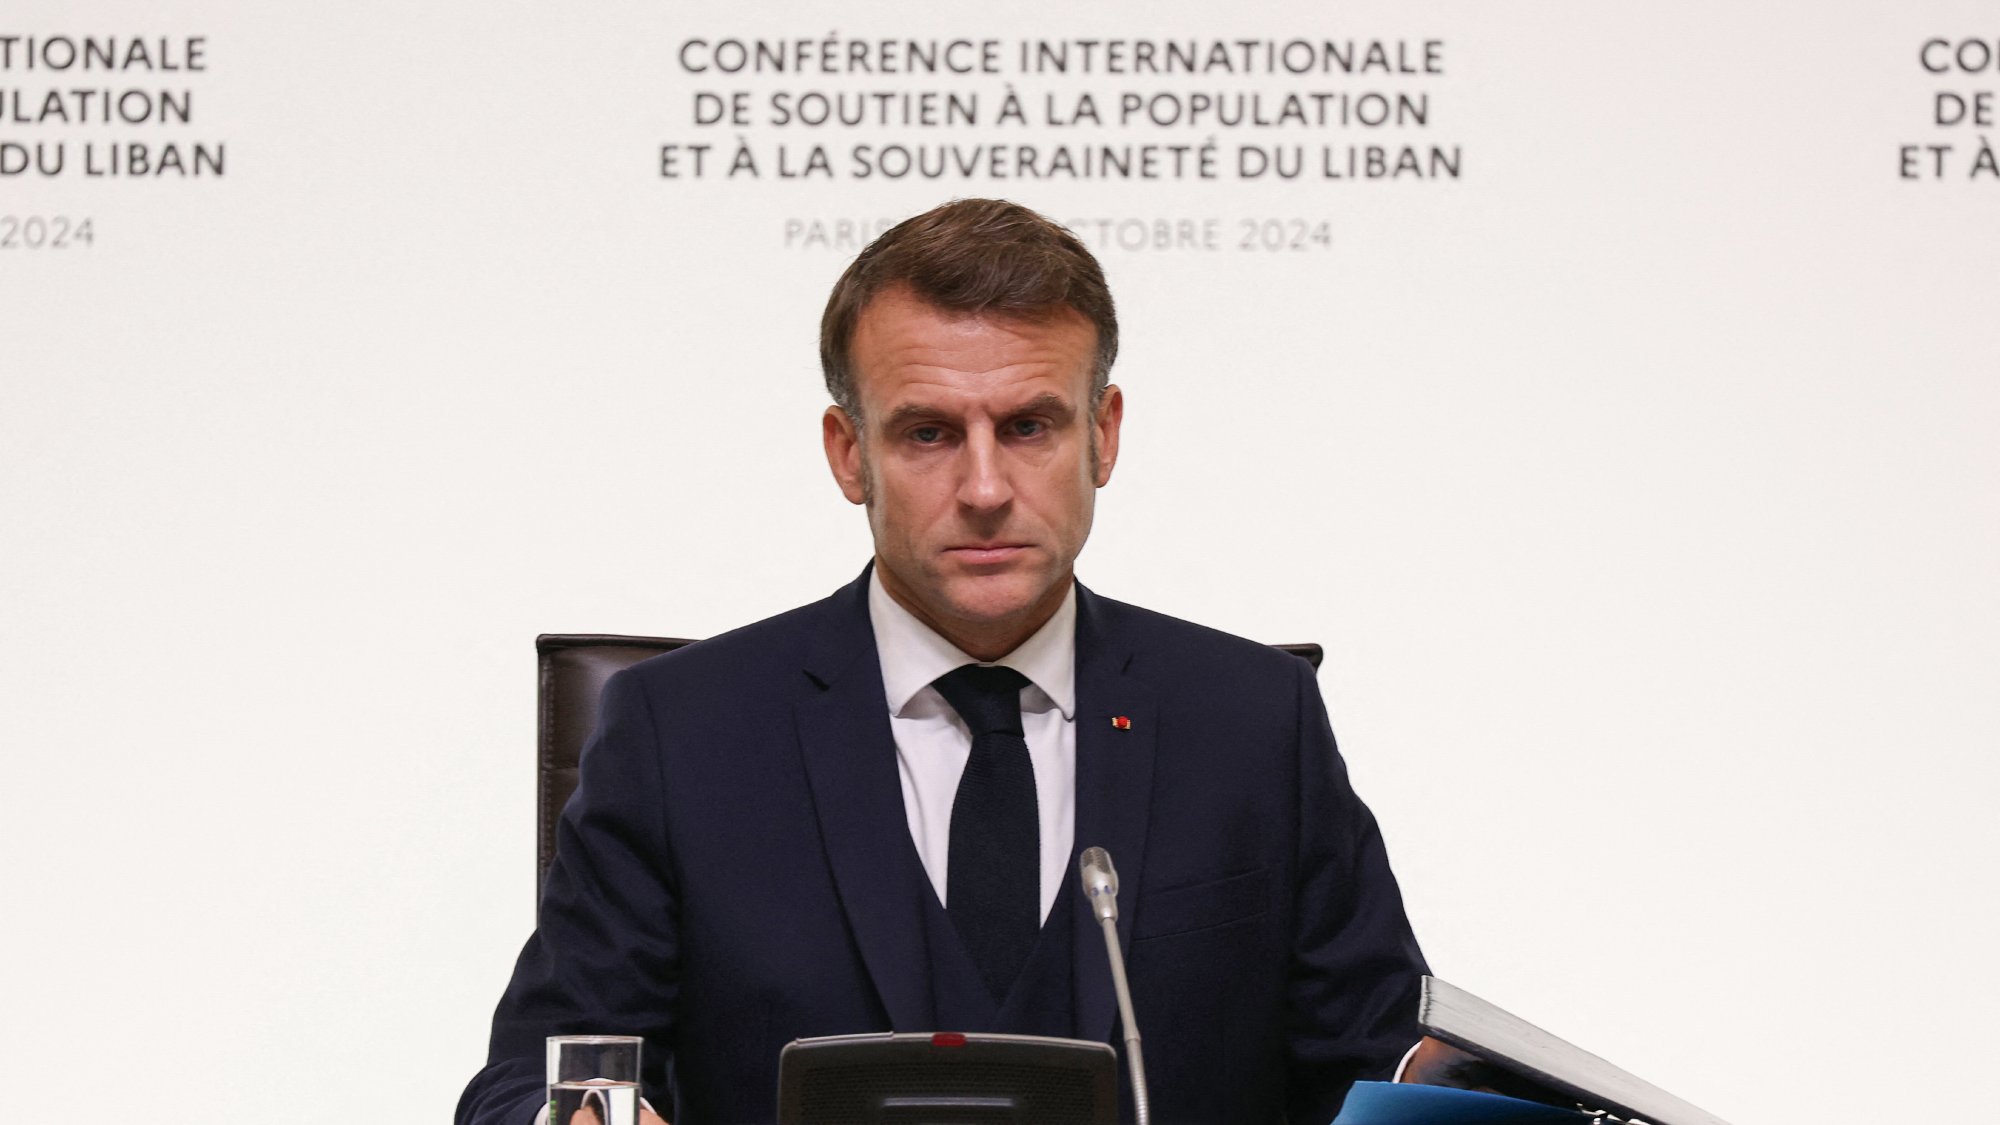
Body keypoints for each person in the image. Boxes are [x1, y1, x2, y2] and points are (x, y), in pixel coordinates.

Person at [458, 198, 1434, 1125]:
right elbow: (531, 1078)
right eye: (927, 433)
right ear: (848, 454)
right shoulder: (680, 735)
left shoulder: (1255, 721)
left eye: (1027, 427)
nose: (982, 486)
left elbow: (1376, 1067)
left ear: (1101, 435)